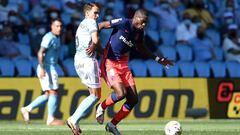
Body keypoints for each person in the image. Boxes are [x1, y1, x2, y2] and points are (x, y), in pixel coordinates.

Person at [96, 9, 174, 135]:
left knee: (133, 99)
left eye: (145, 23)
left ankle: (112, 124)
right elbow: (101, 25)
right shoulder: (123, 23)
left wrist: (158, 59)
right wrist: (94, 43)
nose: (143, 25)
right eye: (142, 22)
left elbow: (141, 48)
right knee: (121, 93)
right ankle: (101, 107)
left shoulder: (139, 33)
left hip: (124, 66)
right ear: (136, 18)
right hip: (110, 63)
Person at [21, 18, 66, 126]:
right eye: (57, 26)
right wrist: (42, 68)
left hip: (51, 67)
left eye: (60, 26)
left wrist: (63, 67)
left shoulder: (57, 38)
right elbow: (40, 53)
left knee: (48, 94)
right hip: (47, 68)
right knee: (53, 92)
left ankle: (27, 109)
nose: (59, 28)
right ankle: (50, 119)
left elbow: (54, 55)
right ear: (52, 26)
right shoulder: (48, 37)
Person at [66, 2, 102, 135]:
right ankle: (73, 118)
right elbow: (96, 40)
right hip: (87, 61)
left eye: (98, 13)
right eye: (95, 12)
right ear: (87, 13)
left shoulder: (82, 24)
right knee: (95, 95)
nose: (97, 15)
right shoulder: (91, 22)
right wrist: (98, 47)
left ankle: (76, 121)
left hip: (78, 60)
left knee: (92, 94)